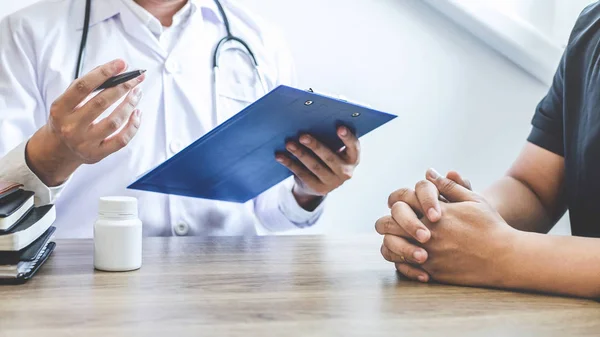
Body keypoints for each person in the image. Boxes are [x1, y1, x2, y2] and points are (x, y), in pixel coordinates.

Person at [0, 0, 360, 237]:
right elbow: (4, 200)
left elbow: (270, 213)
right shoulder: (25, 35)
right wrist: (55, 153)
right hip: (81, 285)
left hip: (229, 291)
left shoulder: (261, 40)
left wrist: (307, 189)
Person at [375, 3, 600, 299]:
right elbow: (533, 189)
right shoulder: (590, 28)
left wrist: (503, 253)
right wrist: (451, 220)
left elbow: (502, 249)